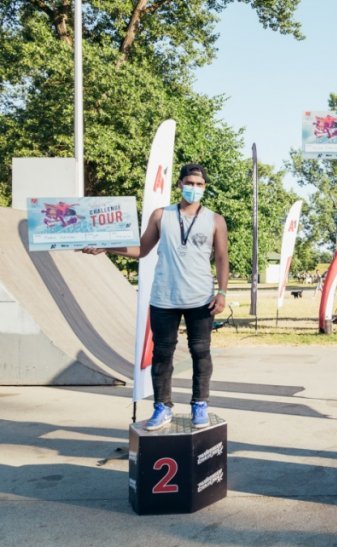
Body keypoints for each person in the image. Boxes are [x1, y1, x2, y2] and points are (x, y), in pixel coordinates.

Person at [83, 164, 229, 430]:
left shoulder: (215, 220)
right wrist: (106, 247)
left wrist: (222, 292)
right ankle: (162, 407)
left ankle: (200, 404)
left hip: (200, 298)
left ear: (205, 188)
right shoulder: (161, 215)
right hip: (164, 297)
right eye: (189, 183)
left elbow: (221, 257)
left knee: (200, 352)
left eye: (199, 184)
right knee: (162, 354)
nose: (194, 188)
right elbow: (141, 249)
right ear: (179, 185)